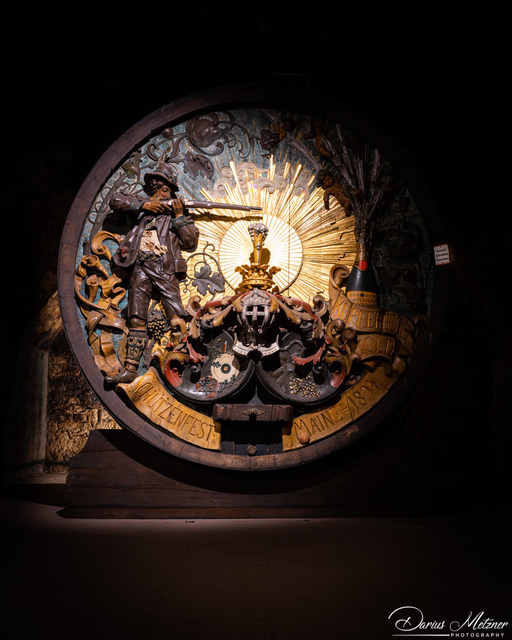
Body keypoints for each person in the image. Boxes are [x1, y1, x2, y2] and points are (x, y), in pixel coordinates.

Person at [105, 160, 199, 384]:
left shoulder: (176, 215)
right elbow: (115, 200)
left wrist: (178, 217)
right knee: (136, 317)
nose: (160, 193)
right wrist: (143, 205)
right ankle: (130, 368)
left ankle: (187, 364)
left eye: (164, 189)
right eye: (156, 189)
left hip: (163, 267)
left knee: (177, 316)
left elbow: (190, 242)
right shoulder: (143, 210)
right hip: (139, 267)